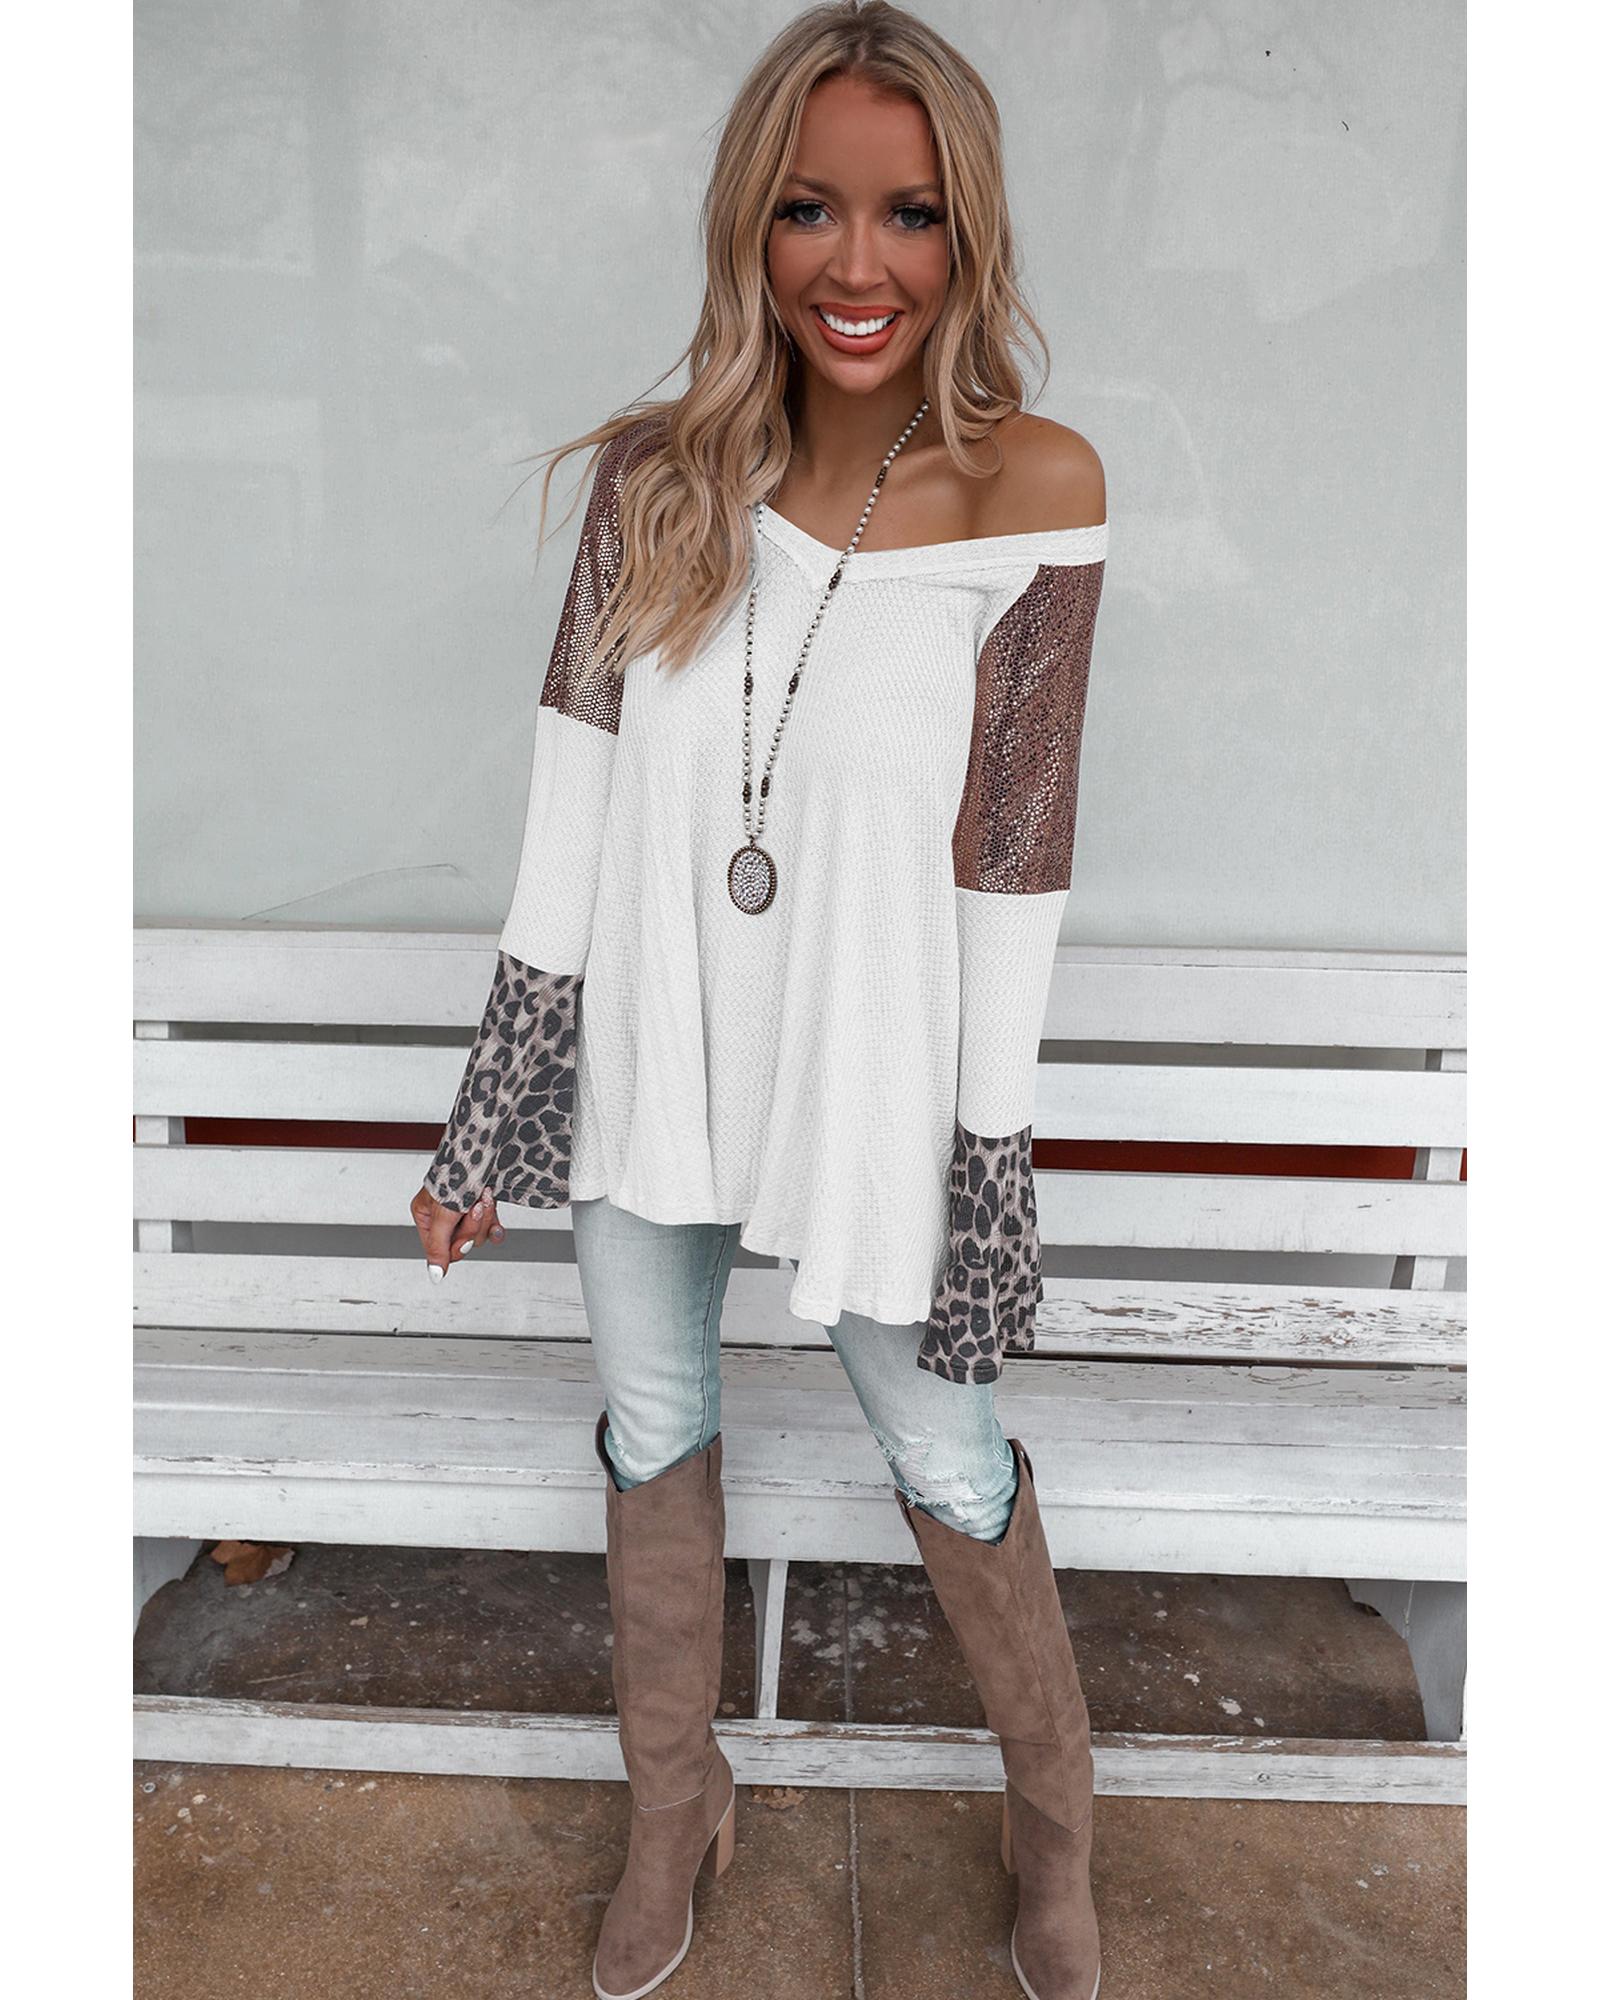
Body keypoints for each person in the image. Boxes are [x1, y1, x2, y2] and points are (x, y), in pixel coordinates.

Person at [410, 5, 1107, 1996]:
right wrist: (490, 1113)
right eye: (809, 208)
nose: (856, 263)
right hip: (651, 1046)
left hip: (873, 1066)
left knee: (948, 1454)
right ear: (749, 224)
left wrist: (987, 1165)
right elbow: (572, 802)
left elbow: (1014, 851)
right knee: (653, 1427)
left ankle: (1056, 1830)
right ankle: (676, 1806)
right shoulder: (653, 477)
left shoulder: (1036, 487)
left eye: (909, 213)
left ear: (967, 232)